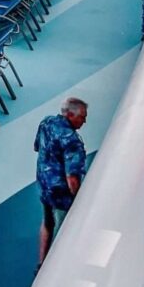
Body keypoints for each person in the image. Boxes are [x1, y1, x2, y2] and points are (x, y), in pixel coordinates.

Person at [35, 97, 89, 267]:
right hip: (60, 194)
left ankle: (42, 262)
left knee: (47, 222)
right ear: (71, 115)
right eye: (82, 117)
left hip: (44, 186)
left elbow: (37, 147)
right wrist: (80, 201)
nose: (84, 121)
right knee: (63, 229)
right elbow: (72, 178)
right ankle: (55, 266)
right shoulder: (72, 140)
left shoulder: (46, 123)